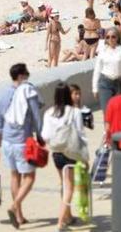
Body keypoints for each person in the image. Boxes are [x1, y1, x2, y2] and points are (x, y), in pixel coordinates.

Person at [0, 63, 44, 229]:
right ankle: (14, 207)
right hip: (23, 141)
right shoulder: (28, 91)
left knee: (15, 176)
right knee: (30, 177)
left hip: (7, 141)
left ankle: (19, 216)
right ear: (21, 76)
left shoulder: (2, 95)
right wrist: (41, 137)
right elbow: (37, 117)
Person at [40, 83, 87, 231]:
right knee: (69, 188)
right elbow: (80, 134)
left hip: (56, 153)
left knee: (64, 184)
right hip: (70, 152)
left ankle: (67, 216)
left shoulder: (49, 113)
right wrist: (85, 156)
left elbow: (44, 135)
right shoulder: (74, 112)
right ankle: (60, 222)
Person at [92, 28, 121, 114]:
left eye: (113, 37)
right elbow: (97, 69)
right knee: (107, 113)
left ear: (117, 38)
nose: (110, 39)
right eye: (107, 37)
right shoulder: (102, 50)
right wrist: (95, 88)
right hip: (105, 83)